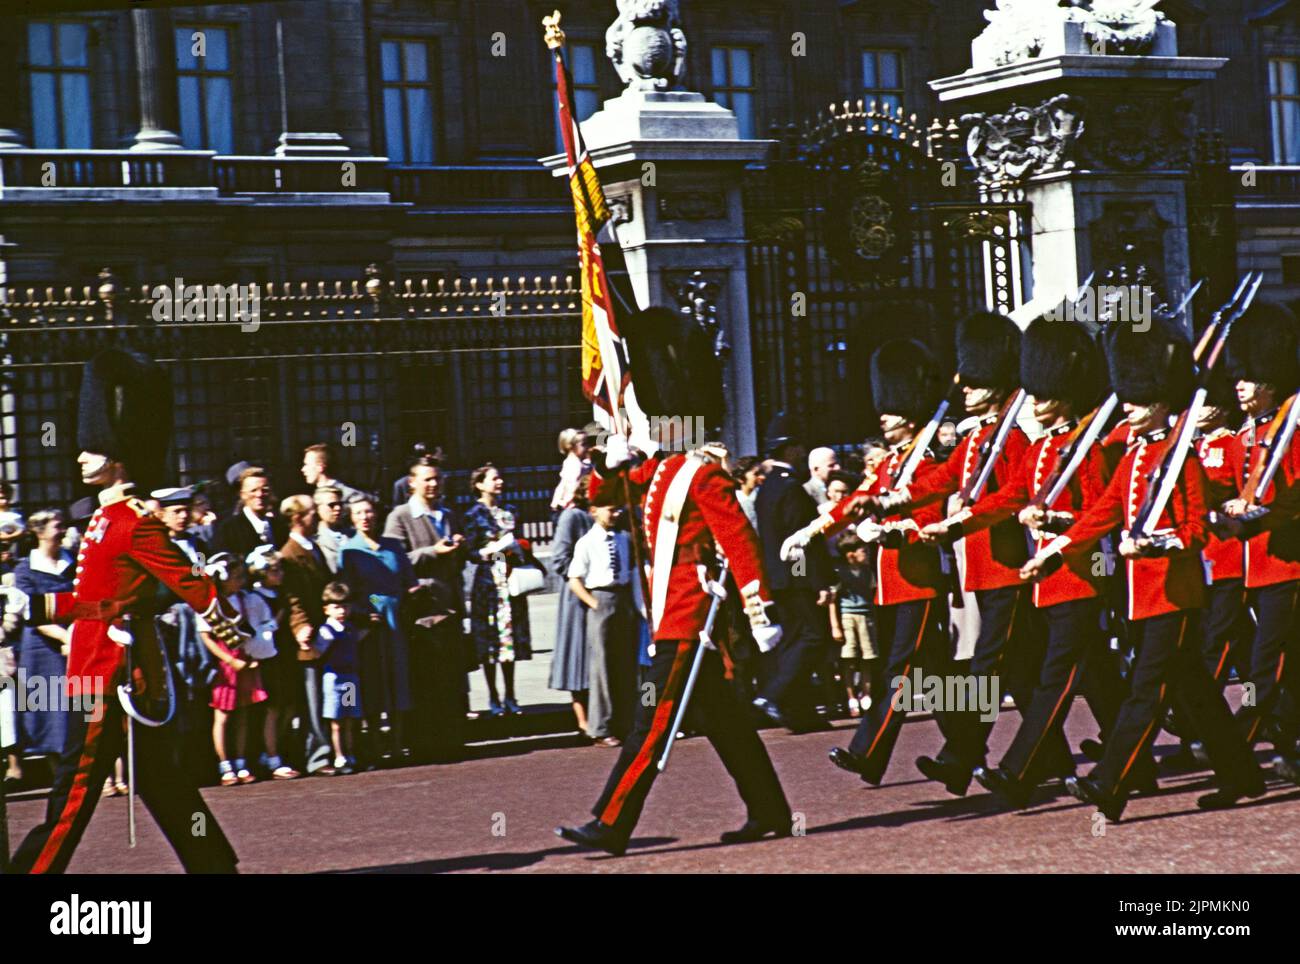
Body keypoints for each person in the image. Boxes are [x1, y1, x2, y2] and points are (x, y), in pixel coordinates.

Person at [556, 305, 790, 857]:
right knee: (726, 722)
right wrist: (608, 463)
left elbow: (739, 541)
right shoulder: (655, 467)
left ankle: (612, 822)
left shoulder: (703, 471)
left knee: (651, 721)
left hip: (691, 618)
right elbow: (599, 499)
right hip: (664, 612)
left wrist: (760, 608)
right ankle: (771, 809)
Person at [1022, 321, 1268, 820]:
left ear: (1159, 400)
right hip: (1143, 593)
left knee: (1145, 688)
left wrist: (1152, 543)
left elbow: (1198, 530)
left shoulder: (1183, 460)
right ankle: (1243, 774)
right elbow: (1102, 514)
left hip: (1175, 594)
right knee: (1195, 690)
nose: (1126, 407)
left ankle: (1110, 783)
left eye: (1135, 400)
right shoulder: (1137, 456)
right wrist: (1054, 550)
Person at [11, 348, 241, 874]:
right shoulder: (103, 519)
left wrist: (221, 613)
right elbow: (93, 596)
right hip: (99, 662)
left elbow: (185, 580)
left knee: (73, 790)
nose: (79, 458)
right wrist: (30, 603)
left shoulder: (133, 521)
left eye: (90, 450)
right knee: (162, 781)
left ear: (115, 457)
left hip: (112, 671)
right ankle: (215, 866)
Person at [925, 316, 1122, 807]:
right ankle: (1119, 758)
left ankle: (1001, 763)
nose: (1035, 397)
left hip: (1069, 575)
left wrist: (1053, 523)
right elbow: (1009, 493)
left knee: (1037, 674)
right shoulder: (1036, 447)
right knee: (1074, 675)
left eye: (1045, 388)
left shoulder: (1073, 448)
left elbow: (1100, 513)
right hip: (1041, 578)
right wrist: (946, 522)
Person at [884, 312, 1039, 796]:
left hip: (1007, 568)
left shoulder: (1011, 437)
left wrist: (962, 521)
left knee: (986, 669)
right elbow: (945, 478)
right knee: (1025, 673)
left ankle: (960, 758)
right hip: (982, 571)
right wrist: (895, 499)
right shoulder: (976, 437)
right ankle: (1048, 756)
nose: (964, 390)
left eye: (973, 383)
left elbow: (1014, 495)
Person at [827, 340, 949, 787]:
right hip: (892, 584)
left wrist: (893, 531)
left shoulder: (924, 463)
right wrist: (813, 531)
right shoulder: (891, 464)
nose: (883, 415)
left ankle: (867, 751)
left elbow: (933, 522)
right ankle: (964, 752)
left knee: (898, 673)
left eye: (892, 410)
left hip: (918, 583)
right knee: (936, 676)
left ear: (911, 414)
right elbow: (857, 503)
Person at [382, 455, 470, 760]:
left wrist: (461, 545)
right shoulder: (400, 516)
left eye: (438, 478)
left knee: (451, 677)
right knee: (425, 678)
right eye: (427, 479)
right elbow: (395, 558)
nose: (434, 484)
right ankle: (424, 743)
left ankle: (452, 738)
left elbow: (460, 558)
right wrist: (432, 551)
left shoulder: (448, 514)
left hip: (450, 606)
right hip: (420, 610)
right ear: (412, 483)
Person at [753, 412, 834, 731]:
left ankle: (798, 711)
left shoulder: (767, 489)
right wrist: (814, 582)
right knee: (814, 638)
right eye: (798, 447)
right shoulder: (791, 489)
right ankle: (772, 695)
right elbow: (800, 540)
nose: (801, 453)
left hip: (778, 576)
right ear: (789, 451)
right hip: (795, 576)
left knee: (793, 641)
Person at [342, 496, 419, 760]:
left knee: (398, 679)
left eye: (369, 511)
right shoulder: (349, 550)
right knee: (373, 681)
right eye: (359, 513)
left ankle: (398, 742)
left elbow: (408, 579)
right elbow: (348, 589)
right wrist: (372, 606)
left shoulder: (393, 546)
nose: (365, 517)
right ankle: (375, 742)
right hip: (371, 622)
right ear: (351, 518)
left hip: (397, 621)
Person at [465, 464, 534, 717]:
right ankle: (493, 696)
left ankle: (511, 694)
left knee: (509, 640)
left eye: (500, 477)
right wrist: (487, 551)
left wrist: (517, 548)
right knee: (489, 640)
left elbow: (525, 543)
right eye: (494, 478)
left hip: (510, 578)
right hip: (488, 583)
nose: (499, 482)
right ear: (480, 484)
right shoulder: (474, 514)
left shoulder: (510, 511)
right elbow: (470, 552)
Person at [567, 494, 636, 746]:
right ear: (594, 511)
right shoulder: (586, 542)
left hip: (624, 598)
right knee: (602, 667)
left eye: (617, 509)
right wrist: (594, 603)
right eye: (610, 509)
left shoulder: (625, 538)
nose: (615, 514)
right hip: (602, 599)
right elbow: (574, 578)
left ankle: (627, 722)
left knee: (626, 664)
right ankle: (601, 727)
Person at [198, 553, 269, 786]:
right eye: (236, 577)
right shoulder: (211, 602)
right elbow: (206, 637)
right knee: (223, 715)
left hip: (245, 658)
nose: (241, 581)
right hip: (225, 664)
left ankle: (240, 761)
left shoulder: (244, 599)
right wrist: (229, 660)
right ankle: (225, 764)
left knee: (244, 713)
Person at [11, 509, 74, 772]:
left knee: (77, 702)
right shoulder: (25, 569)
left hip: (74, 638)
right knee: (47, 706)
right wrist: (66, 635)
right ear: (40, 531)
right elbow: (33, 614)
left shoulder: (74, 563)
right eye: (57, 526)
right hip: (41, 646)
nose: (62, 531)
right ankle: (57, 770)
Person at [278, 494, 334, 773]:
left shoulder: (313, 548)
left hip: (323, 631)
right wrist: (300, 626)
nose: (317, 517)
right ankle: (317, 757)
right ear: (298, 518)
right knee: (311, 699)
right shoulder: (289, 554)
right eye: (312, 512)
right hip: (307, 637)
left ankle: (324, 751)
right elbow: (292, 598)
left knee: (322, 695)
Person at [245, 545, 301, 779]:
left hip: (286, 654)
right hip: (268, 657)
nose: (279, 575)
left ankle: (275, 751)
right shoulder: (254, 598)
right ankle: (272, 757)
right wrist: (276, 620)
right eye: (274, 571)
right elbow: (258, 629)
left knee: (289, 705)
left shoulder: (282, 594)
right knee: (273, 708)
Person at [549, 475, 595, 735]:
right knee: (578, 659)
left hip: (606, 595)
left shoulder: (614, 514)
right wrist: (586, 576)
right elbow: (559, 559)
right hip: (579, 596)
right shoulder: (572, 517)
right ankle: (583, 722)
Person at [316, 581, 365, 775]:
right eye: (336, 607)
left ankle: (351, 753)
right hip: (333, 679)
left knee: (349, 718)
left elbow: (358, 639)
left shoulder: (351, 628)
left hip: (350, 678)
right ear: (326, 609)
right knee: (336, 721)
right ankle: (339, 756)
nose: (342, 611)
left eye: (345, 606)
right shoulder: (326, 631)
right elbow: (318, 652)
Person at [828, 531, 877, 718]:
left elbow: (872, 594)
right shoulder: (841, 573)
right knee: (848, 658)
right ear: (851, 554)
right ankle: (850, 697)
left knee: (867, 657)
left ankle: (866, 694)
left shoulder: (867, 572)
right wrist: (835, 625)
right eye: (863, 550)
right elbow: (833, 599)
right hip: (847, 616)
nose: (867, 553)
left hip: (866, 617)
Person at [212, 467, 287, 558]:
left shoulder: (280, 527)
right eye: (253, 490)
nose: (259, 494)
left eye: (265, 490)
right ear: (242, 494)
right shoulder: (227, 529)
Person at [551, 427, 591, 515]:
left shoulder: (570, 461)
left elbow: (563, 484)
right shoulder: (575, 465)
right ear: (570, 446)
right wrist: (567, 502)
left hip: (560, 504)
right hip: (569, 506)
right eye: (584, 444)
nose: (588, 447)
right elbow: (573, 486)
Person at [313, 486, 348, 572]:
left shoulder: (352, 534)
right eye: (331, 505)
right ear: (318, 508)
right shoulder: (314, 539)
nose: (338, 508)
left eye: (340, 504)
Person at [731, 455, 765, 530]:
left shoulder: (764, 496)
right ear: (740, 478)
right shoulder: (733, 500)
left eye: (762, 472)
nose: (762, 477)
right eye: (756, 474)